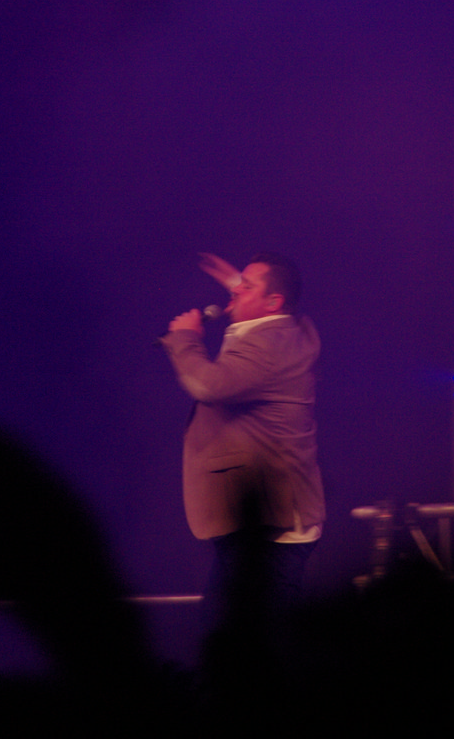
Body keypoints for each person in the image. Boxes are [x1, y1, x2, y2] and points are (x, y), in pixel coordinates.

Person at [161, 252, 325, 647]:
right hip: (264, 518)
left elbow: (208, 385)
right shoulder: (287, 330)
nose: (235, 291)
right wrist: (243, 287)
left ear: (273, 303)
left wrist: (185, 339)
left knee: (249, 641)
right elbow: (271, 309)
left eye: (246, 287)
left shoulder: (270, 346)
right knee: (226, 633)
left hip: (273, 525)